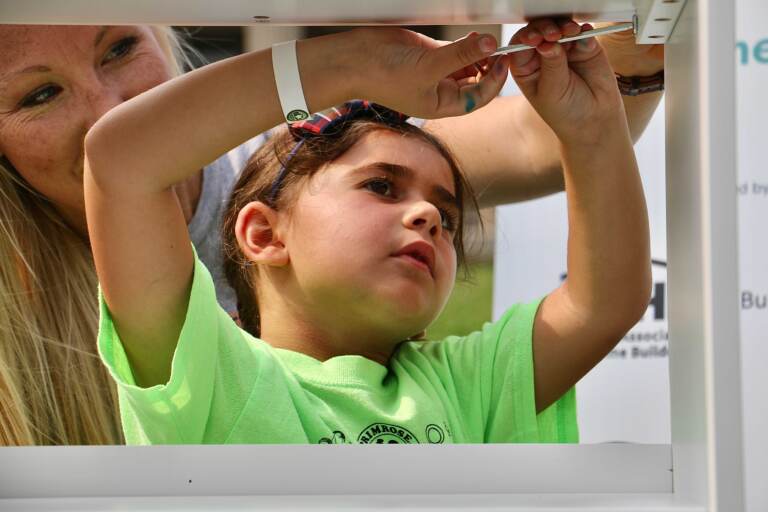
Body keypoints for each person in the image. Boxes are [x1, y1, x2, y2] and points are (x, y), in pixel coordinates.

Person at [0, 21, 662, 445]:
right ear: (259, 233)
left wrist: (600, 107)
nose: (429, 215)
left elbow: (603, 302)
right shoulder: (209, 378)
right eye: (381, 186)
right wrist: (353, 63)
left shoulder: (464, 383)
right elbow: (124, 159)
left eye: (448, 211)